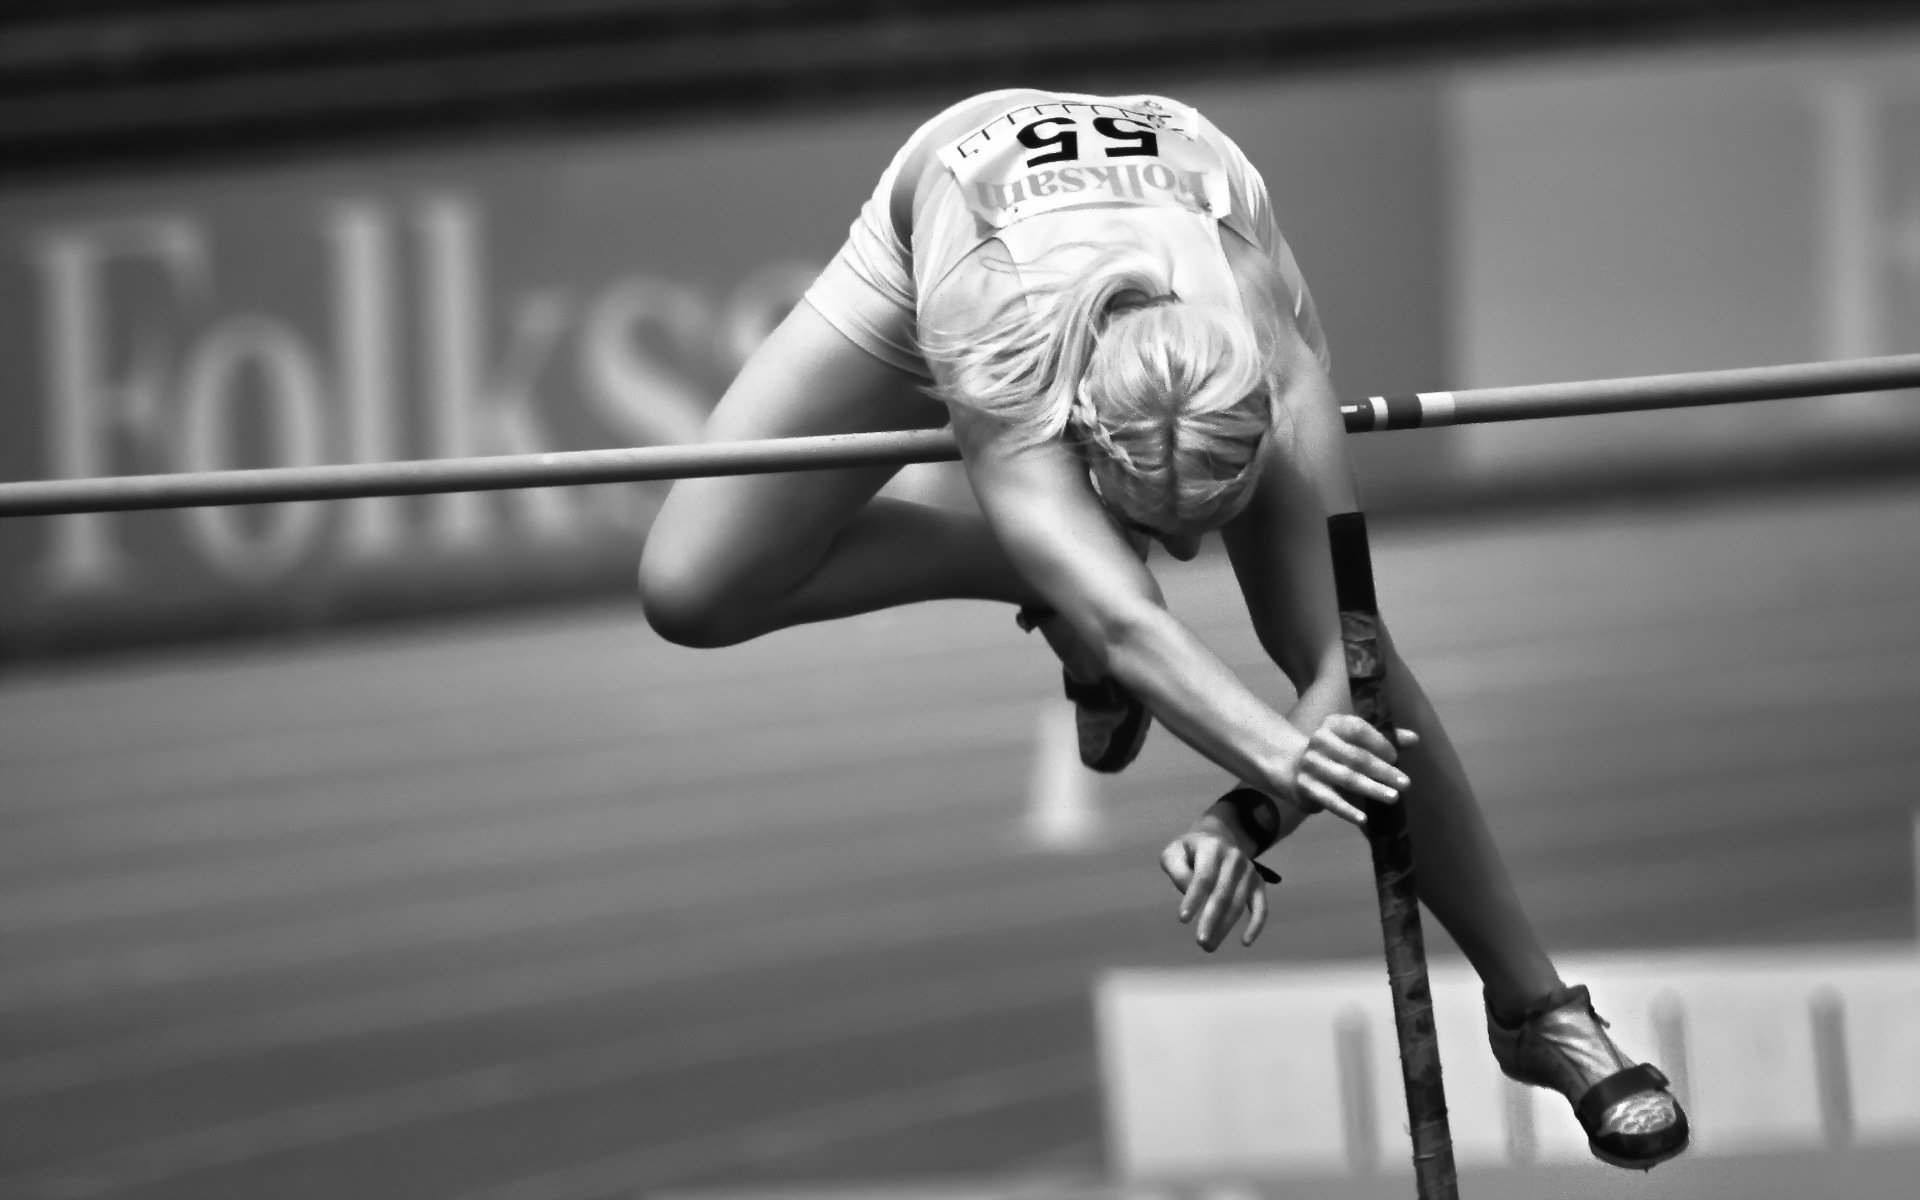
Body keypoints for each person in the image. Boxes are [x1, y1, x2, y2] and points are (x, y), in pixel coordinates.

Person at [637, 87, 1688, 1171]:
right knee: (693, 591)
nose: (1188, 556)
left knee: (1358, 658)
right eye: (1153, 527)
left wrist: (1249, 814)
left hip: (1181, 227)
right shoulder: (1002, 355)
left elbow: (1350, 659)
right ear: (1084, 452)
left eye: (1209, 522)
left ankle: (1540, 1011)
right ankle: (1052, 575)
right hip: (967, 226)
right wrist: (1273, 749)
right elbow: (1134, 627)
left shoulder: (1268, 356)